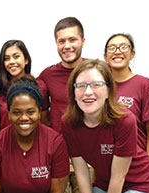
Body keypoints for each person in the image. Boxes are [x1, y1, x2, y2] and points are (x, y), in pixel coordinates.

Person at [62, 59, 149, 193]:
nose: (88, 92)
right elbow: (82, 172)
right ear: (73, 93)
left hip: (140, 182)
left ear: (108, 90)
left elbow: (119, 176)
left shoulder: (125, 120)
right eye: (81, 85)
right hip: (104, 183)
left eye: (96, 85)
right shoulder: (68, 123)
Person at [0, 75, 70, 193]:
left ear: (39, 112)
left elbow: (57, 190)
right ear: (9, 114)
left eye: (30, 112)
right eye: (17, 112)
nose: (24, 118)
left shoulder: (55, 143)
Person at [37, 17, 92, 193]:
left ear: (82, 41)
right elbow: (43, 114)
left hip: (90, 154)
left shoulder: (96, 70)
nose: (67, 46)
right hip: (59, 153)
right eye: (61, 41)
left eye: (72, 40)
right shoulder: (47, 75)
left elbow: (125, 88)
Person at [104, 33, 149, 161]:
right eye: (112, 48)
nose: (117, 51)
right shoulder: (99, 86)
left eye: (124, 47)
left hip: (136, 160)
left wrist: (148, 163)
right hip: (105, 162)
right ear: (105, 56)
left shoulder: (144, 84)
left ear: (132, 54)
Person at [0, 40, 32, 131]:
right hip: (6, 142)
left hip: (34, 141)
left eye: (16, 57)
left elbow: (44, 121)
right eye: (6, 58)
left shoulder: (39, 86)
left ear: (26, 60)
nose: (11, 62)